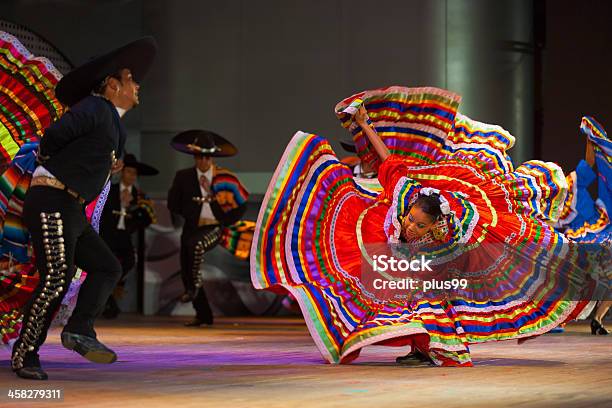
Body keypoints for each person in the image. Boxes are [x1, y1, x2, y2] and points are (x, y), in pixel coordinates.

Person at [251, 86, 594, 366]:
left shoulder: (453, 237)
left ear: (433, 227)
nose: (410, 225)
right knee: (357, 259)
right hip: (403, 248)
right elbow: (388, 158)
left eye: (417, 224)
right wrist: (363, 121)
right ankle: (418, 344)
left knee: (422, 296)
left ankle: (428, 346)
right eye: (410, 218)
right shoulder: (406, 191)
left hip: (443, 264)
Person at [9, 36, 157, 380]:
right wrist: (51, 158)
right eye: (131, 80)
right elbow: (53, 137)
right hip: (52, 201)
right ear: (111, 85)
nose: (137, 86)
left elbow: (94, 153)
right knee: (56, 279)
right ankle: (25, 353)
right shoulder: (93, 107)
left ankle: (79, 330)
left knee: (107, 267)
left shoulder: (113, 123)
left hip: (71, 208)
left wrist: (108, 164)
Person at [167, 130, 249, 327]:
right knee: (187, 267)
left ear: (212, 157)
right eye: (199, 157)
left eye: (207, 157)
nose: (203, 161)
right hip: (192, 226)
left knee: (196, 246)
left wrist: (226, 221)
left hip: (214, 227)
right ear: (194, 157)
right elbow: (173, 204)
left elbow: (241, 203)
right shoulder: (183, 177)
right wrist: (190, 209)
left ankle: (193, 289)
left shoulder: (224, 178)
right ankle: (203, 314)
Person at [556, 116, 611, 335]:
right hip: (583, 241)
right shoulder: (551, 201)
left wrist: (592, 138)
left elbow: (589, 162)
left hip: (599, 232)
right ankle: (557, 319)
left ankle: (597, 318)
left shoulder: (574, 182)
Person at [99, 153, 158, 318]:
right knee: (106, 264)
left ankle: (111, 288)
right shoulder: (111, 190)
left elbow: (147, 219)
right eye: (128, 172)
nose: (131, 176)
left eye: (134, 173)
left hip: (125, 236)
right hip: (108, 235)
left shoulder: (140, 196)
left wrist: (134, 211)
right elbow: (101, 213)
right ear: (122, 172)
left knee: (130, 261)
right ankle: (108, 297)